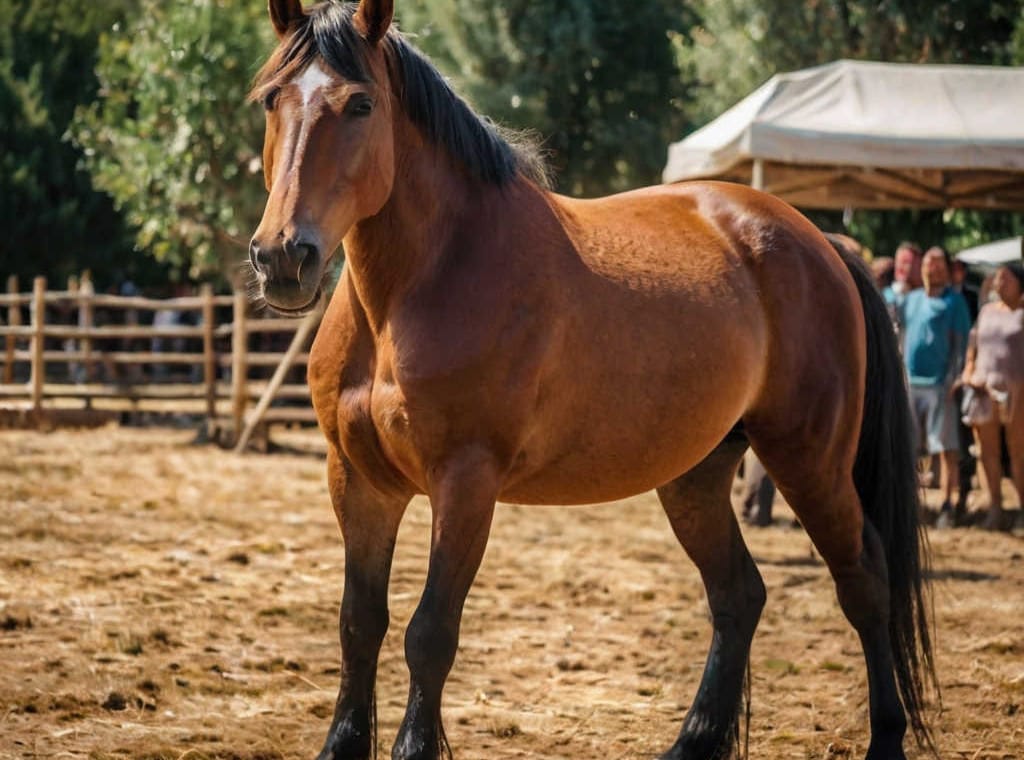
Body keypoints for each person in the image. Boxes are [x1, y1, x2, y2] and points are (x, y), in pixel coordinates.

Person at [896, 246, 972, 527]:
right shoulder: (911, 299)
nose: (934, 268)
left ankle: (947, 504)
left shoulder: (955, 303)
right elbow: (900, 335)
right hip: (910, 383)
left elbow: (962, 344)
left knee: (945, 447)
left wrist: (956, 377)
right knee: (909, 449)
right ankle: (912, 506)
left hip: (941, 386)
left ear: (948, 269)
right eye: (929, 263)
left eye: (939, 264)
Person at [959, 262, 1024, 530]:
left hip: (1018, 390)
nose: (999, 282)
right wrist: (969, 372)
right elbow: (973, 346)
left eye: (1006, 278)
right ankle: (995, 508)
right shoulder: (986, 312)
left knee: (1019, 452)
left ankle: (1022, 509)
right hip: (984, 389)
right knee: (988, 453)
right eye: (997, 277)